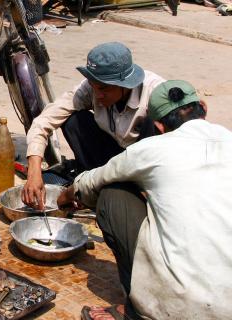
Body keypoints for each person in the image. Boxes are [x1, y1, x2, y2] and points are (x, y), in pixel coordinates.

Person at [57, 80, 232, 319]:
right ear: (202, 107)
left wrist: (66, 195)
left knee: (112, 194)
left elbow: (92, 181)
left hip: (179, 307)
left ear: (159, 126)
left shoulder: (153, 148)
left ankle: (137, 309)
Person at [22, 42, 165, 210]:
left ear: (125, 84)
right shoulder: (90, 88)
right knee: (73, 119)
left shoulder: (156, 92)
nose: (97, 94)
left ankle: (141, 195)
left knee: (154, 124)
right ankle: (93, 187)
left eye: (104, 88)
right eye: (93, 86)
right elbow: (43, 121)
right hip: (110, 159)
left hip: (145, 166)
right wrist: (34, 172)